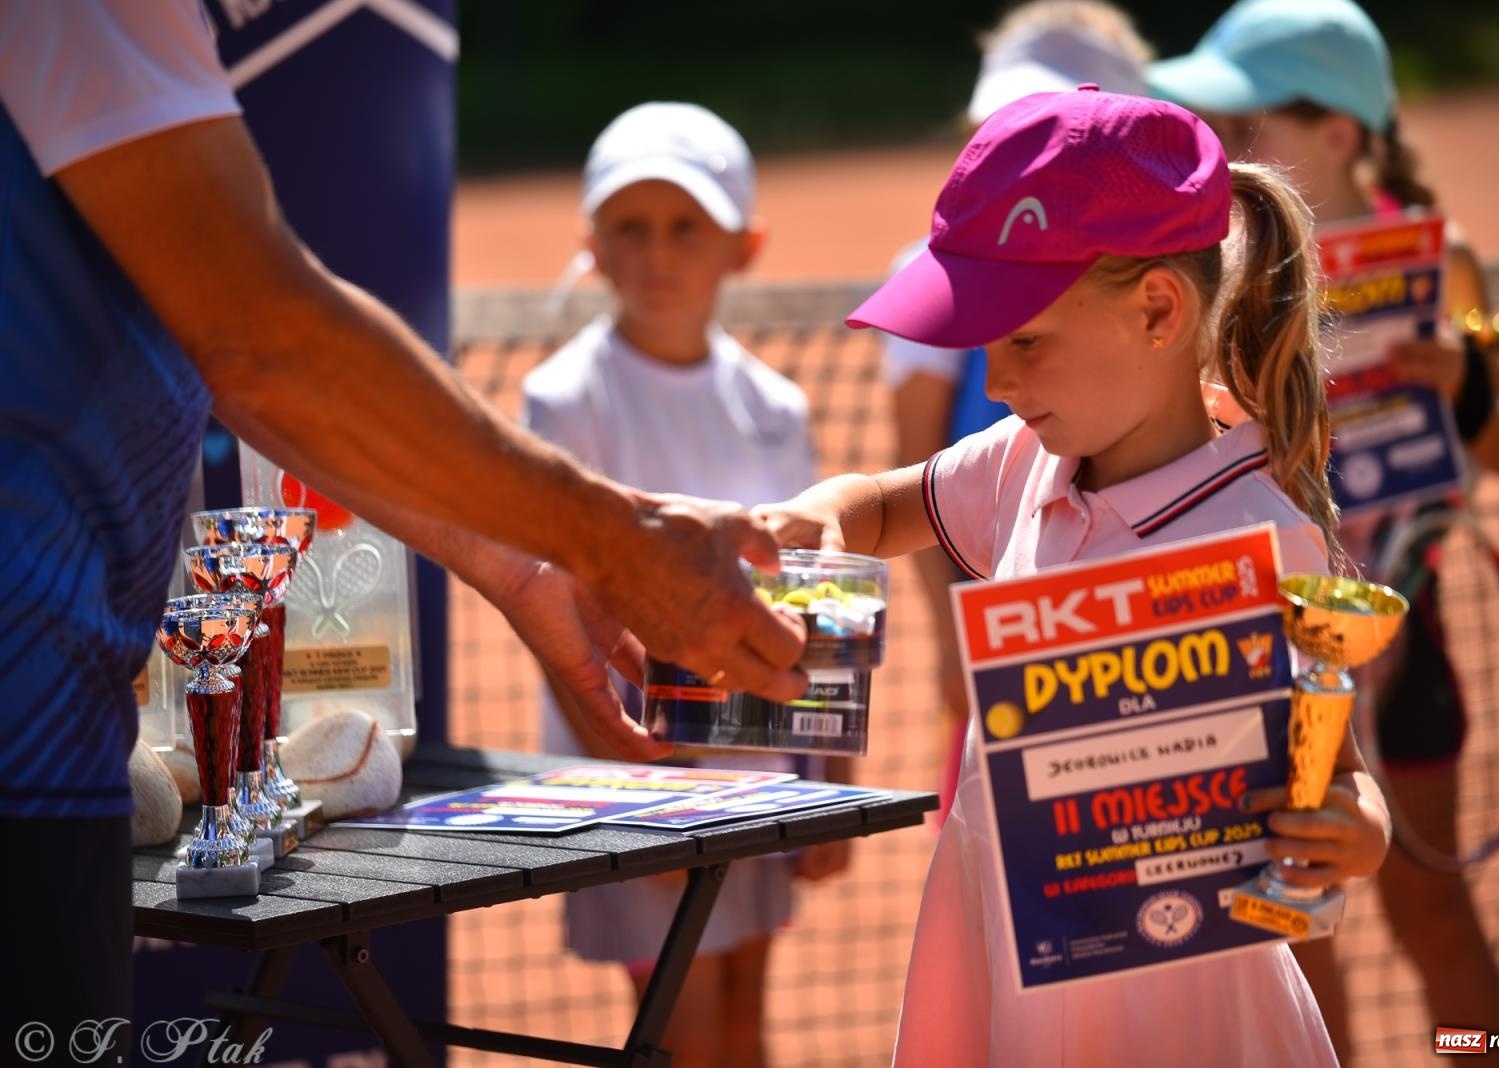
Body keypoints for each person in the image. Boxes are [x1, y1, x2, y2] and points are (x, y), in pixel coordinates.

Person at [0, 5, 808, 1060]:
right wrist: (611, 537)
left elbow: (249, 365)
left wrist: (525, 563)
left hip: (53, 741)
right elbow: (264, 338)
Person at [754, 86, 1391, 1067]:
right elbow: (890, 506)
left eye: (1025, 340)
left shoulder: (1266, 538)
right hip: (1000, 984)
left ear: (1156, 310)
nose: (996, 383)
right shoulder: (1018, 462)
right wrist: (827, 514)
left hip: (1176, 1022)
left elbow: (1336, 772)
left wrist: (1356, 831)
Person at [1148, 2, 1499, 1061]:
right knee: (1291, 935)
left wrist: (1463, 383)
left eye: (1243, 117)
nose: (1218, 142)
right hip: (1263, 650)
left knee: (1432, 915)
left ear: (1340, 136)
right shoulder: (1214, 267)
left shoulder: (1452, 268)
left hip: (1407, 650)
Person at [521, 102, 851, 1068]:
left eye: (685, 227)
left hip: (763, 775)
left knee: (746, 1016)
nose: (656, 253)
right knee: (687, 1034)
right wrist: (638, 793)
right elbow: (554, 600)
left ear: (742, 248)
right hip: (635, 785)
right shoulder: (564, 398)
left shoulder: (774, 406)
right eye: (630, 226)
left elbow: (810, 591)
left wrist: (827, 785)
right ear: (592, 241)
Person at [883, 0, 1156, 827]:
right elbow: (916, 490)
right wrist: (954, 644)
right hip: (1003, 644)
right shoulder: (929, 279)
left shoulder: (1173, 289)